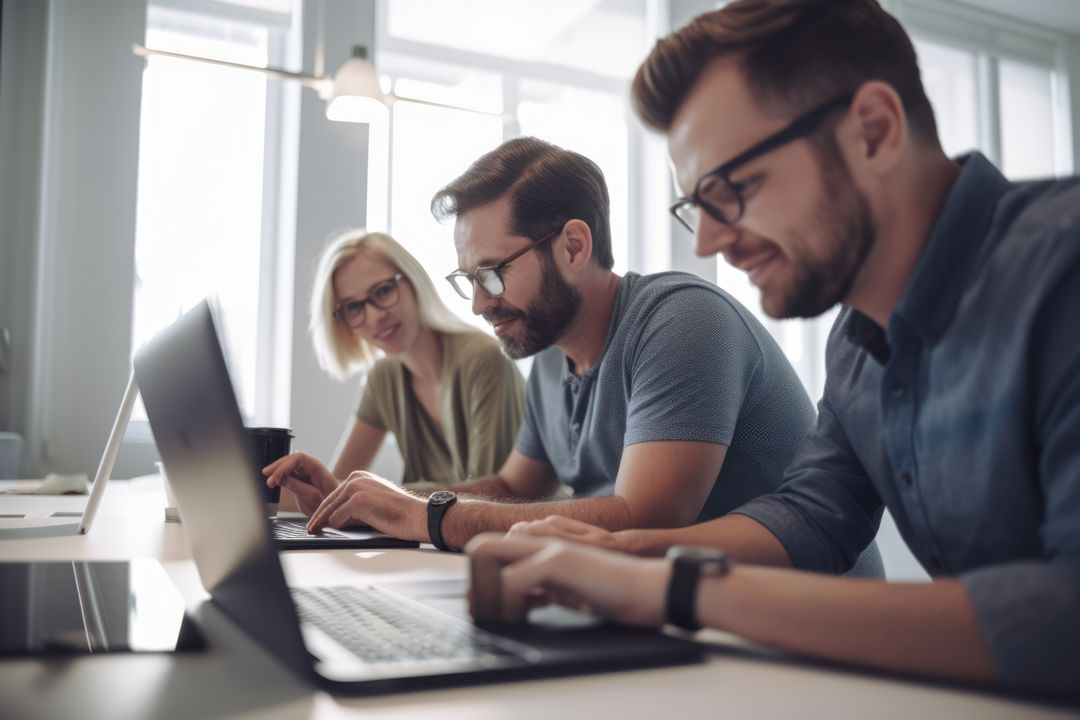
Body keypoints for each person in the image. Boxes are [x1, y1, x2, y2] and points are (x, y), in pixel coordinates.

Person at [468, 0, 1080, 702]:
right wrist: (614, 553)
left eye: (733, 189)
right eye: (696, 205)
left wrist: (672, 588)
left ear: (874, 132)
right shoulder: (856, 344)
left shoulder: (1062, 269)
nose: (708, 243)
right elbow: (814, 514)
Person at [269, 137, 868, 568]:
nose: (478, 304)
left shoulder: (683, 320)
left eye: (492, 274)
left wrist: (425, 515)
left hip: (806, 638)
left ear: (574, 246)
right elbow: (510, 485)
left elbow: (648, 515)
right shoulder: (549, 353)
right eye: (468, 280)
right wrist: (376, 501)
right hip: (678, 615)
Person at [269, 230, 526, 515]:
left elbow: (496, 496)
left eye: (382, 291)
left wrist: (377, 495)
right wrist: (254, 492)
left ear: (413, 281)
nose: (375, 316)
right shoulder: (383, 378)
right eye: (354, 307)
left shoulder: (483, 359)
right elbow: (333, 489)